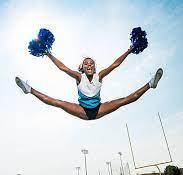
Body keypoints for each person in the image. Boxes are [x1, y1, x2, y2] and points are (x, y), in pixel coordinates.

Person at [15, 47, 163, 120]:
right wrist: (47, 53)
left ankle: (150, 84)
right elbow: (62, 67)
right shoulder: (79, 77)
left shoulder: (100, 75)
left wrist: (130, 49)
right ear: (83, 67)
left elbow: (115, 64)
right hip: (82, 110)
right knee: (57, 102)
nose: (89, 65)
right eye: (86, 63)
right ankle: (29, 89)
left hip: (99, 109)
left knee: (124, 100)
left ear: (95, 66)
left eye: (91, 63)